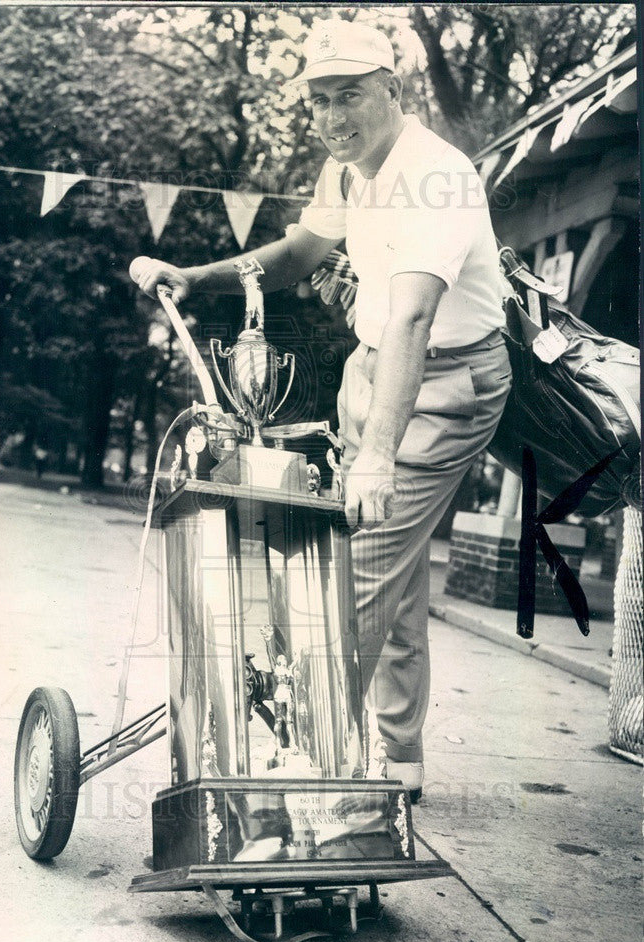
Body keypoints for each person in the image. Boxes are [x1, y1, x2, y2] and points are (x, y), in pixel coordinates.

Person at [130, 20, 511, 801]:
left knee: (357, 570)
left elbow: (411, 318)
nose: (334, 117)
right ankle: (397, 768)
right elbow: (298, 252)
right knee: (393, 581)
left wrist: (375, 456)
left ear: (393, 90)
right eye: (320, 102)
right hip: (370, 369)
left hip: (441, 381)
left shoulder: (436, 177)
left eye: (352, 96)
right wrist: (193, 276)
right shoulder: (347, 171)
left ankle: (306, 780)